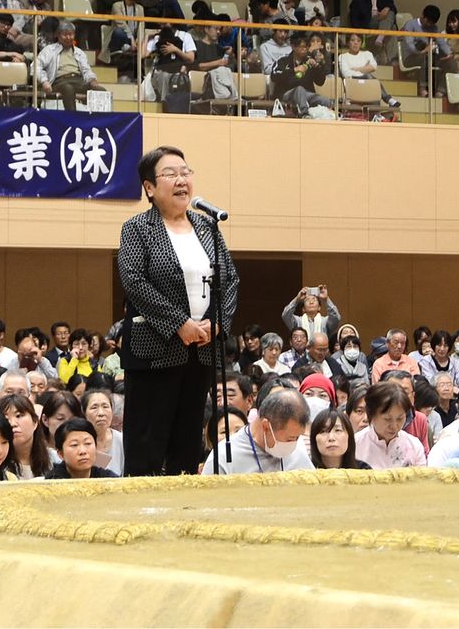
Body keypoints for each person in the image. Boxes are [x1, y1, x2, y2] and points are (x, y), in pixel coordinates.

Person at [119, 146, 239, 476]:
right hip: (154, 351)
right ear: (150, 188)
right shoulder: (137, 228)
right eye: (170, 174)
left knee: (187, 440)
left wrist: (217, 322)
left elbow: (230, 279)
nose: (181, 180)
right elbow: (133, 280)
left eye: (186, 172)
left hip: (200, 351)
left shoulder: (207, 227)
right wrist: (178, 323)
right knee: (147, 440)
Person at [202, 389, 312, 474]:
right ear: (266, 427)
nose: (295, 442)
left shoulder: (298, 446)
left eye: (298, 437)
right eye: (291, 438)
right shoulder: (223, 456)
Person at [355, 381, 426, 468]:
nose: (394, 426)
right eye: (387, 419)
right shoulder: (355, 444)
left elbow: (421, 479)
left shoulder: (414, 445)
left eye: (400, 418)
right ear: (371, 415)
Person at [37, 21, 104, 111]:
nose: (68, 37)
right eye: (64, 34)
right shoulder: (49, 50)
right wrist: (44, 81)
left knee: (101, 91)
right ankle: (72, 120)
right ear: (58, 35)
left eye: (71, 34)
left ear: (74, 35)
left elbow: (86, 70)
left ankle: (100, 122)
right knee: (68, 89)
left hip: (78, 81)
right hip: (59, 82)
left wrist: (92, 80)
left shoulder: (79, 53)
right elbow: (36, 66)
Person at [270, 35, 334, 117]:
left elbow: (320, 82)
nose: (304, 49)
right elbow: (274, 76)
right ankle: (305, 114)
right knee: (299, 90)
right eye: (302, 47)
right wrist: (294, 70)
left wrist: (317, 67)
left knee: (325, 100)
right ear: (293, 46)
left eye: (306, 47)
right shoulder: (283, 60)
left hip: (307, 94)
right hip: (286, 94)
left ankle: (334, 116)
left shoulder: (309, 61)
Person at [46, 418, 118, 479]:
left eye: (88, 443)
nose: (82, 451)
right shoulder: (53, 482)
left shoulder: (108, 479)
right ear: (60, 454)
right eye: (74, 445)